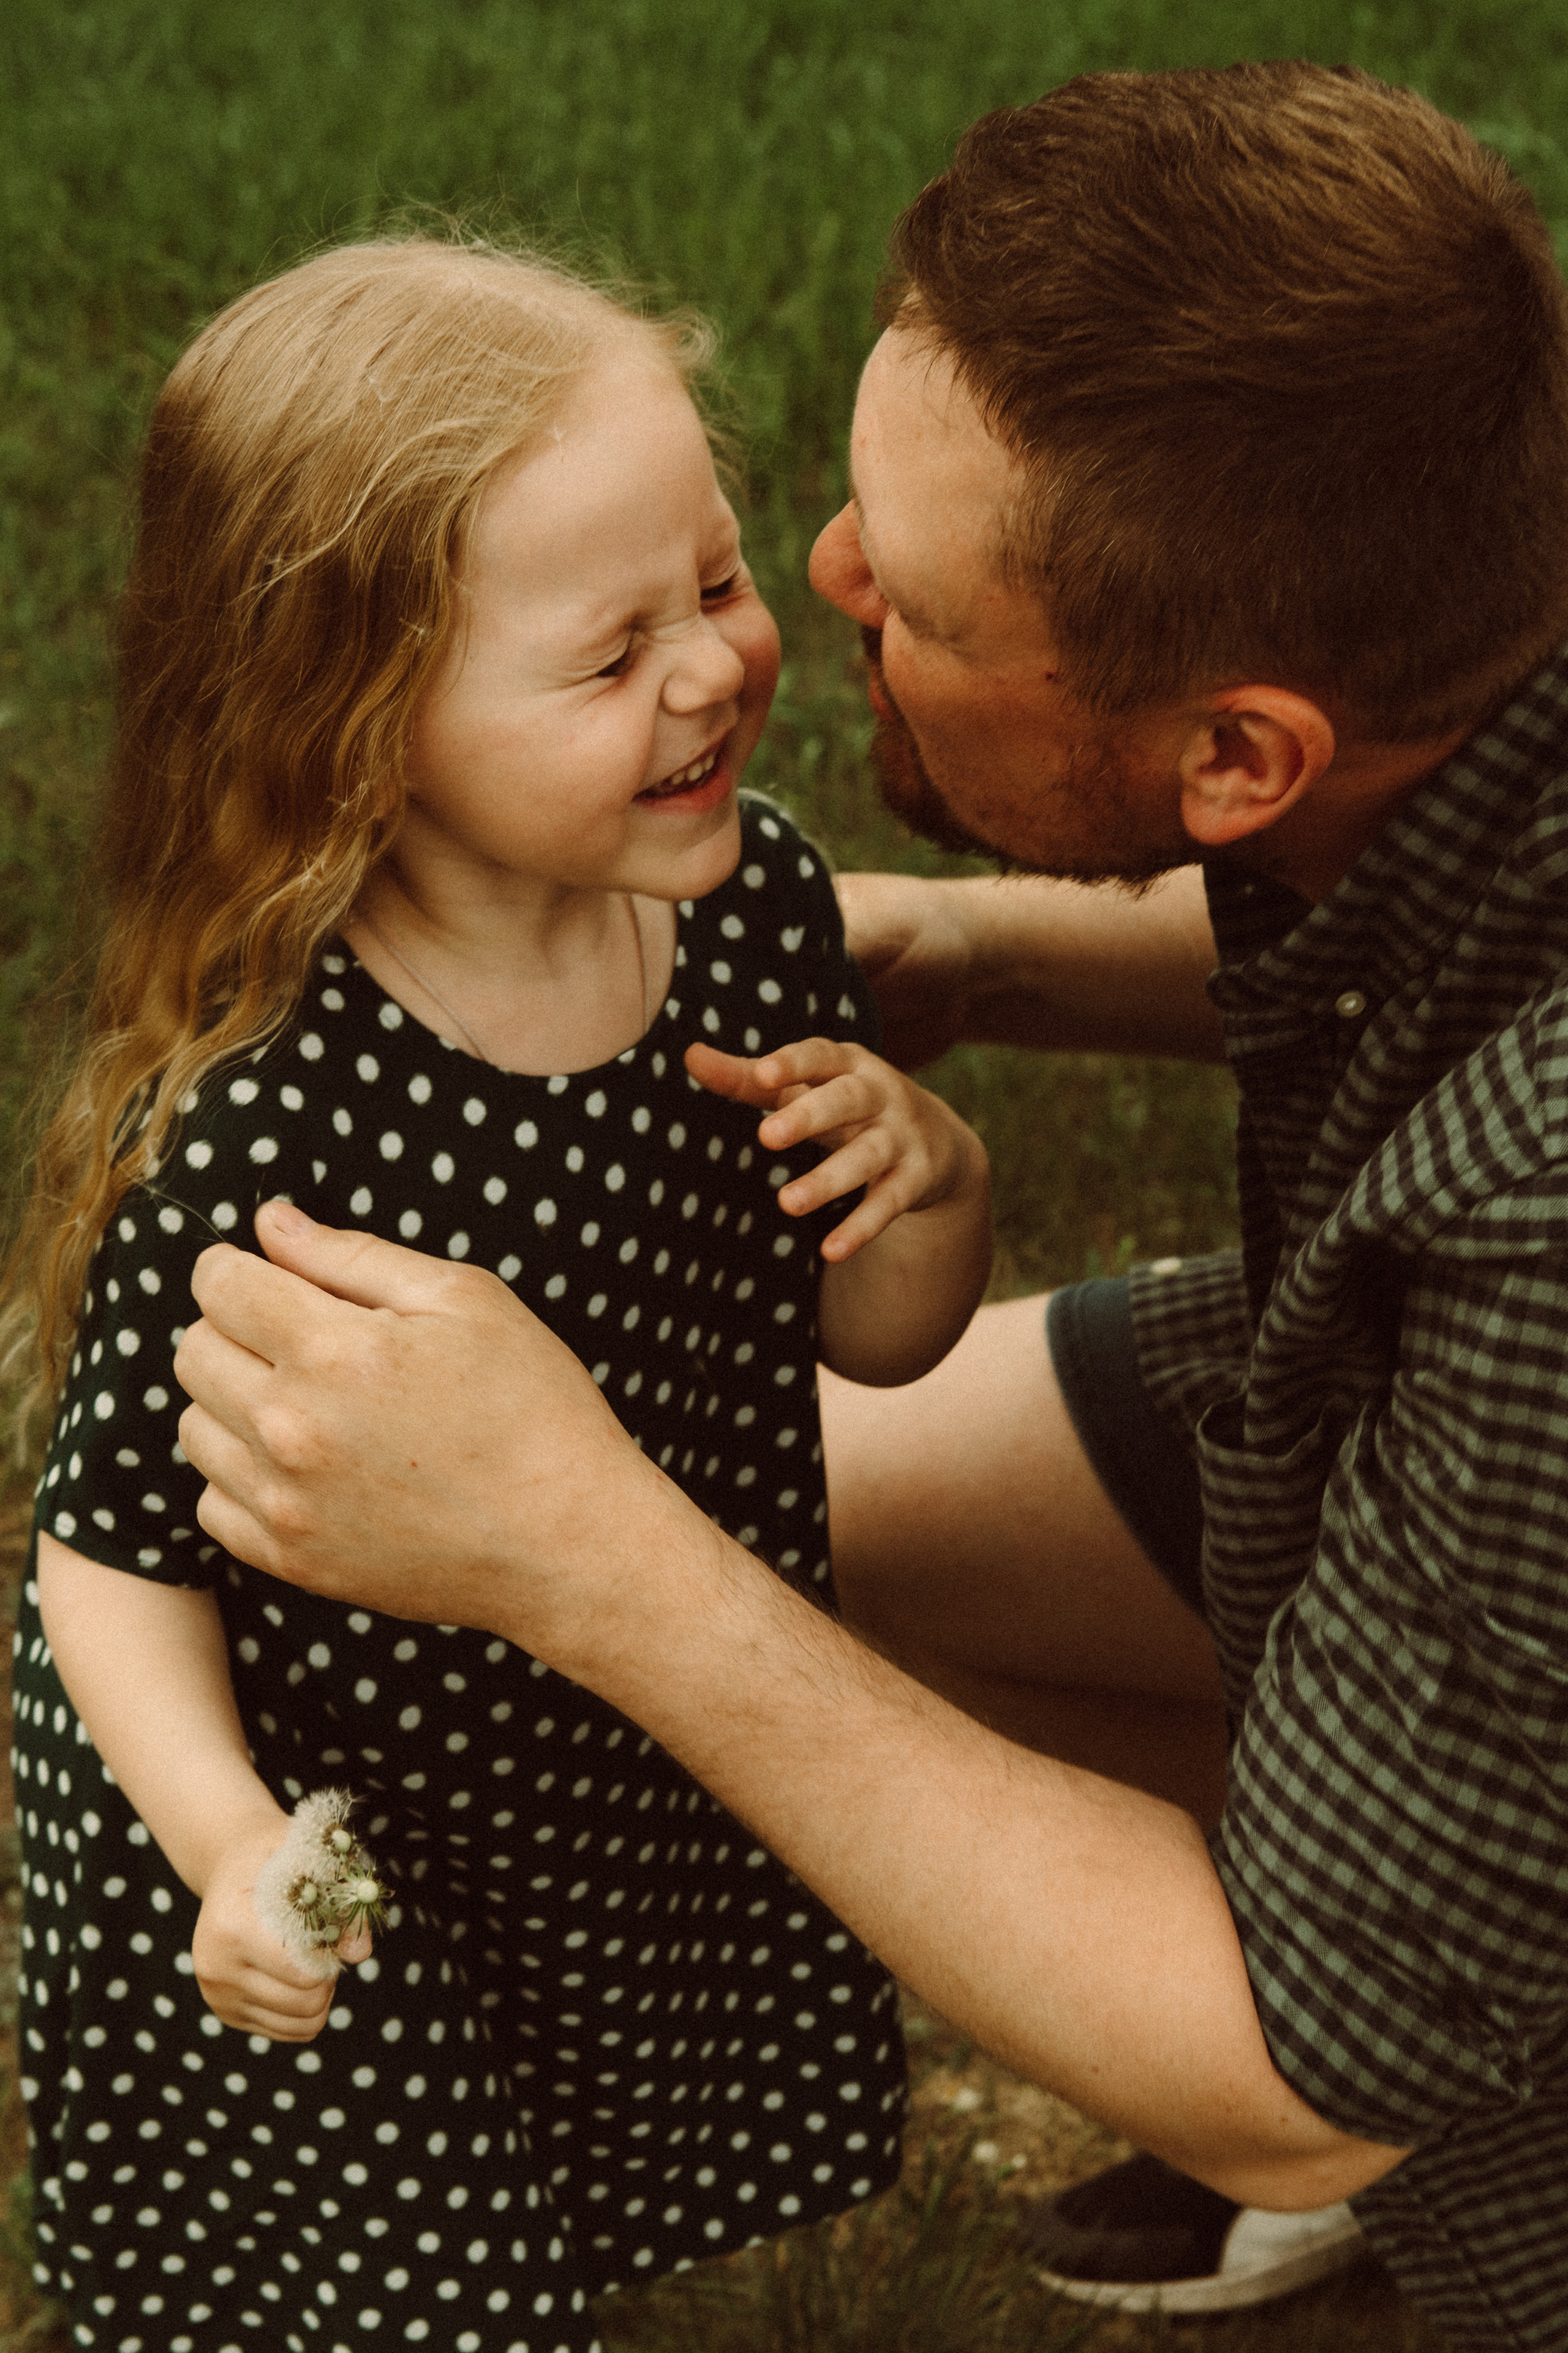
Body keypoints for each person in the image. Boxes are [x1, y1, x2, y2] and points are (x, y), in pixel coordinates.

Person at [134, 61, 1568, 2352]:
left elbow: (1294, 2070)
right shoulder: (1487, 602)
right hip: (1392, 1430)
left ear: (1236, 759)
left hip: (1473, 1517)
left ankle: (1470, 2143)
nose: (816, 588)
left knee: (751, 1586)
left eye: (905, 592)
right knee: (833, 1494)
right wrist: (990, 948)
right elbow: (1457, 891)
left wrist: (591, 1551)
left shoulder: (1537, 1235)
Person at [3, 235, 994, 2353]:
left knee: (556, 2214)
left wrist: (930, 1187)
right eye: (608, 648)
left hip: (592, 1766)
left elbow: (875, 1334)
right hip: (339, 1821)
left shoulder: (750, 923)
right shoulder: (290, 1112)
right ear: (360, 727)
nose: (716, 667)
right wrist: (228, 1845)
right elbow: (102, 1561)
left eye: (715, 583)